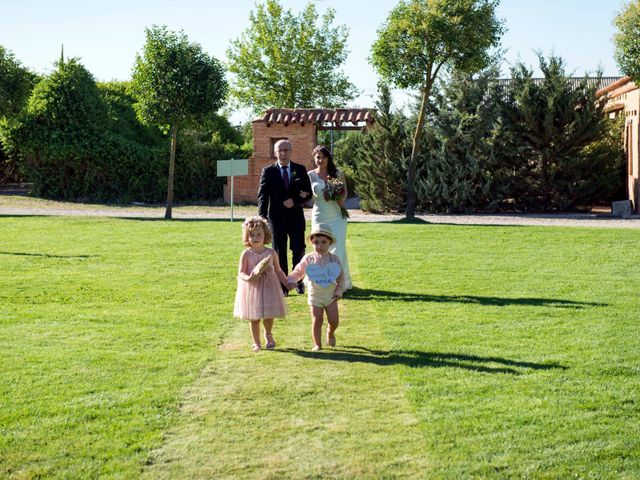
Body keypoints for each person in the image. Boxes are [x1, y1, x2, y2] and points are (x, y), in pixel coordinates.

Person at [258, 139, 312, 295]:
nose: (283, 153)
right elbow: (263, 196)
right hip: (276, 218)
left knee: (298, 250)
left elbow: (307, 193)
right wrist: (261, 218)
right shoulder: (268, 171)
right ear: (275, 153)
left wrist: (295, 201)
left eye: (286, 150)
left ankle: (298, 282)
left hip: (296, 217)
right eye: (279, 150)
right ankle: (283, 286)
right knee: (279, 251)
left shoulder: (300, 169)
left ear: (291, 151)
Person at [234, 216, 289, 352]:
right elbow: (241, 272)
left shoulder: (271, 253)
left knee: (269, 315)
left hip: (269, 287)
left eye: (259, 234)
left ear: (266, 235)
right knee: (254, 317)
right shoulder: (246, 254)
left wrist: (288, 283)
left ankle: (268, 334)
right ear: (247, 237)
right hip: (253, 289)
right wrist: (248, 278)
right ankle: (256, 342)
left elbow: (279, 270)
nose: (256, 238)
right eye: (252, 235)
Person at [287, 224, 345, 351]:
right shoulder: (309, 258)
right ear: (311, 242)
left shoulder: (334, 259)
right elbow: (298, 271)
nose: (319, 245)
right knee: (317, 319)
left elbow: (340, 277)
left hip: (330, 294)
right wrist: (290, 279)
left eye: (323, 242)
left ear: (329, 242)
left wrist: (339, 290)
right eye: (316, 242)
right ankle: (317, 344)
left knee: (334, 320)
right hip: (315, 294)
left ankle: (330, 332)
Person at [307, 145, 352, 290]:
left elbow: (345, 191)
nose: (321, 160)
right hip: (319, 214)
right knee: (320, 247)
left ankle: (339, 284)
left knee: (338, 248)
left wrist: (340, 200)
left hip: (337, 215)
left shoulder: (337, 173)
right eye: (318, 157)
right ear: (314, 158)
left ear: (328, 158)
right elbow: (307, 196)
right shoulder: (310, 175)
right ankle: (320, 280)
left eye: (323, 157)